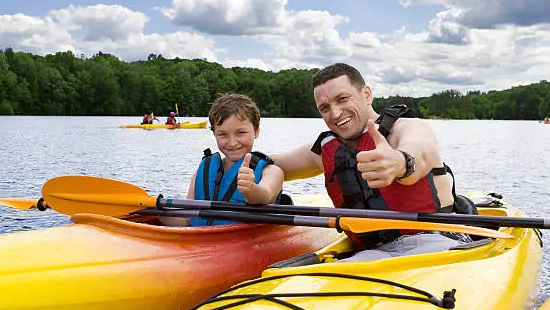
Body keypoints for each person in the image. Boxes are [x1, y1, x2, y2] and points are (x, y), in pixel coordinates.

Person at [272, 63, 475, 262]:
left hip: (435, 243)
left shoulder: (407, 128)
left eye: (342, 99)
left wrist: (400, 163)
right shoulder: (323, 150)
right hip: (372, 253)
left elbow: (419, 152)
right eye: (325, 108)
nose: (335, 114)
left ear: (366, 95)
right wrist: (242, 145)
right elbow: (274, 164)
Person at [184, 93, 287, 226]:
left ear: (256, 131)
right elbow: (186, 218)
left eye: (241, 133)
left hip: (247, 242)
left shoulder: (272, 172)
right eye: (222, 134)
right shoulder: (203, 170)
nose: (232, 143)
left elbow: (265, 196)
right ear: (214, 134)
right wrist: (153, 208)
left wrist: (251, 190)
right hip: (200, 241)